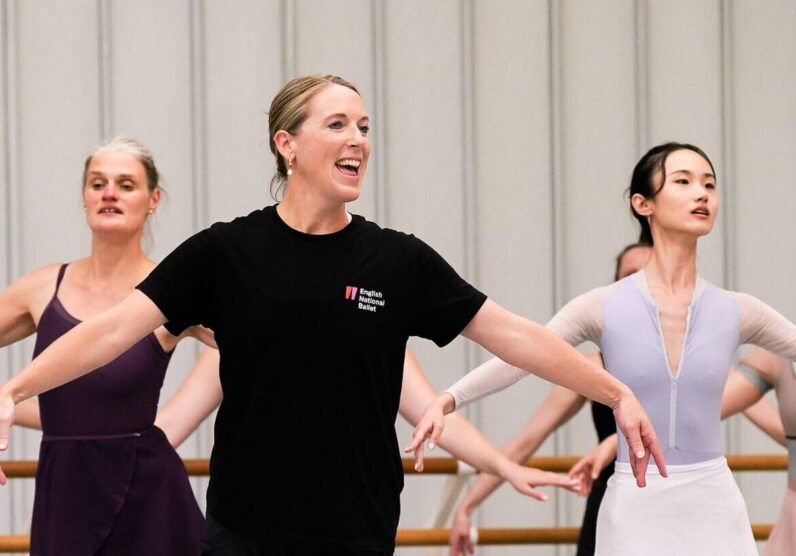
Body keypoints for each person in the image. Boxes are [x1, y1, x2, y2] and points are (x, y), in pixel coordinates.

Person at [0, 75, 661, 556]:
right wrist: (14, 390)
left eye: (365, 127)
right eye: (338, 124)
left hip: (354, 532)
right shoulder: (225, 253)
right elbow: (112, 331)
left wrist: (615, 390)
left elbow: (513, 333)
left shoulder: (394, 263)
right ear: (286, 144)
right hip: (241, 534)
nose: (358, 141)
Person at [416, 142, 796, 555]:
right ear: (643, 203)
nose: (701, 193)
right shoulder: (603, 306)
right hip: (635, 505)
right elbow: (522, 354)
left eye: (709, 184)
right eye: (683, 181)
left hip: (715, 506)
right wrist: (450, 398)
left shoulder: (738, 310)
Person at [0, 137, 212, 555]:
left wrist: (177, 420)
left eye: (125, 184)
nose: (110, 193)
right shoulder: (43, 288)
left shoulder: (172, 290)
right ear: (84, 197)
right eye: (98, 183)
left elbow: (254, 340)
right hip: (64, 494)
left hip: (149, 498)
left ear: (153, 199)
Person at [448, 241, 652, 556]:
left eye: (648, 275)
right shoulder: (593, 368)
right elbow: (527, 439)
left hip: (671, 500)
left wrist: (612, 444)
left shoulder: (690, 363)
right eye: (629, 276)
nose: (638, 285)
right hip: (612, 507)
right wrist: (467, 506)